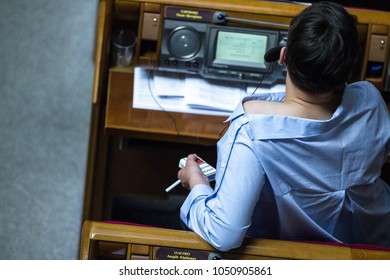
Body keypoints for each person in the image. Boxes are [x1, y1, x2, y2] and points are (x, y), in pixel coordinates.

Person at [177, 1, 390, 251]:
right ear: (350, 67)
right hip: (374, 238)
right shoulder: (372, 100)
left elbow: (223, 234)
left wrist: (196, 183)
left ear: (283, 56)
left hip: (294, 249)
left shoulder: (251, 132)